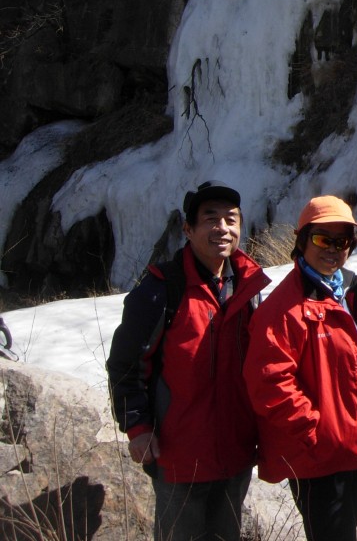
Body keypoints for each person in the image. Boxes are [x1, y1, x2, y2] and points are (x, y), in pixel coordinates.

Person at [107, 180, 270, 541]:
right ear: (188, 229)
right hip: (179, 454)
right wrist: (137, 426)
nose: (223, 229)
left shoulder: (249, 288)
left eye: (231, 220)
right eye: (210, 219)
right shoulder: (160, 289)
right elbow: (124, 365)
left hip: (235, 452)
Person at [243, 196, 357, 541]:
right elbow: (269, 383)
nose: (333, 249)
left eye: (343, 241)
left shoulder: (341, 292)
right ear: (302, 241)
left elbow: (339, 333)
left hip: (349, 445)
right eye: (323, 239)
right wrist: (315, 432)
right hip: (321, 452)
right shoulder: (284, 308)